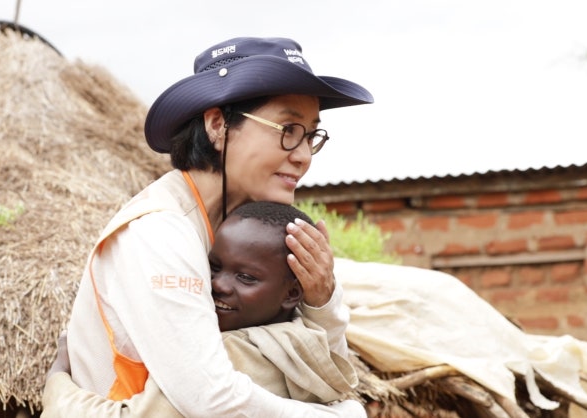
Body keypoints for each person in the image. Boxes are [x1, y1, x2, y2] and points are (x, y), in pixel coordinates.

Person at [43, 36, 374, 417]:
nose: (302, 156)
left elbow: (322, 373)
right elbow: (209, 399)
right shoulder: (159, 233)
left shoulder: (254, 229)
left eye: (311, 135)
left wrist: (322, 300)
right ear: (218, 125)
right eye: (287, 129)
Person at [43, 201, 363, 417]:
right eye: (213, 267)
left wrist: (58, 382)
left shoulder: (234, 355)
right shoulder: (306, 345)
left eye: (246, 277)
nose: (219, 284)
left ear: (292, 293)